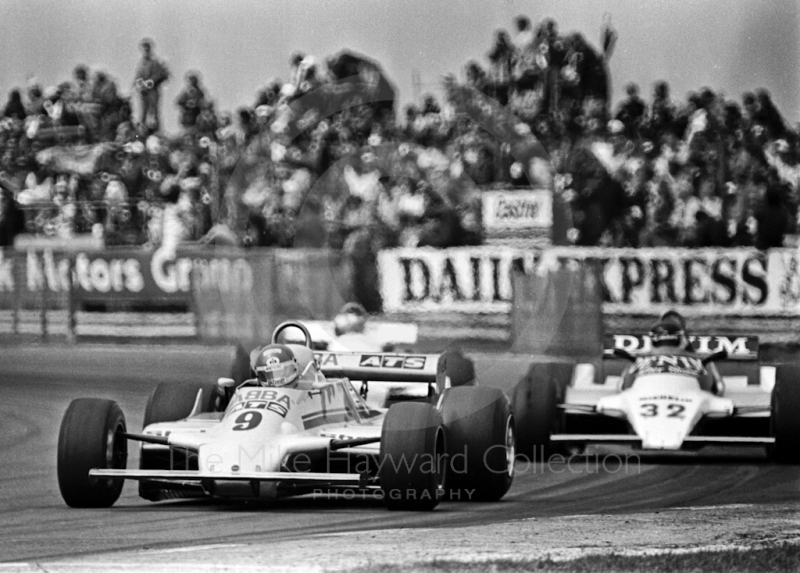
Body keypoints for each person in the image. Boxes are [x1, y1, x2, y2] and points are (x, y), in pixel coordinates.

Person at [134, 38, 170, 132]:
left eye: (147, 48)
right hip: (143, 92)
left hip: (152, 91)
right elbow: (138, 76)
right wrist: (138, 85)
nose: (145, 50)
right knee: (143, 113)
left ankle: (157, 132)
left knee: (154, 112)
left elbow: (157, 76)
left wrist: (148, 84)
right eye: (144, 48)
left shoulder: (154, 62)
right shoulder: (141, 63)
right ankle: (141, 133)